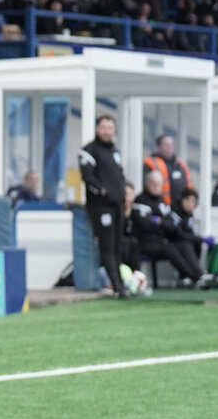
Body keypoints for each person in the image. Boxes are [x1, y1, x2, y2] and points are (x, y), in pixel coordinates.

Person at [79, 114, 129, 297]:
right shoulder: (89, 151)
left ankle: (122, 284)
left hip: (117, 206)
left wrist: (123, 195)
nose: (107, 132)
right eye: (104, 128)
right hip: (101, 207)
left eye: (110, 128)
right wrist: (102, 191)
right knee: (107, 246)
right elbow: (88, 177)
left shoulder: (114, 151)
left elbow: (120, 176)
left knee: (117, 246)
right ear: (97, 129)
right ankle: (117, 287)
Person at [130, 172, 206, 287]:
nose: (156, 186)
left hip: (160, 241)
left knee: (184, 244)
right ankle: (196, 277)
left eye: (158, 184)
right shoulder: (141, 200)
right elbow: (145, 225)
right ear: (147, 184)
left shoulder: (161, 202)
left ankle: (197, 275)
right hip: (144, 242)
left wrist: (160, 222)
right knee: (170, 249)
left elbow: (171, 225)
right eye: (153, 183)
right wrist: (162, 224)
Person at [143, 134, 191, 207]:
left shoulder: (180, 164)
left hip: (181, 208)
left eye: (171, 144)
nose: (169, 147)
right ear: (158, 147)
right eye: (166, 144)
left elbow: (188, 184)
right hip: (161, 206)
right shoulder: (151, 163)